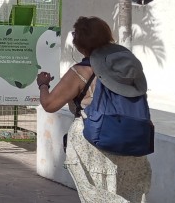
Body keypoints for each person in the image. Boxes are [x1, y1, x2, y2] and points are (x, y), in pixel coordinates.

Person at [36, 16, 151, 202]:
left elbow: (50, 104)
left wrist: (43, 85)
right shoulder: (129, 67)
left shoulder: (81, 72)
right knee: (130, 195)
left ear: (80, 45)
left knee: (98, 196)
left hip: (94, 141)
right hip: (132, 141)